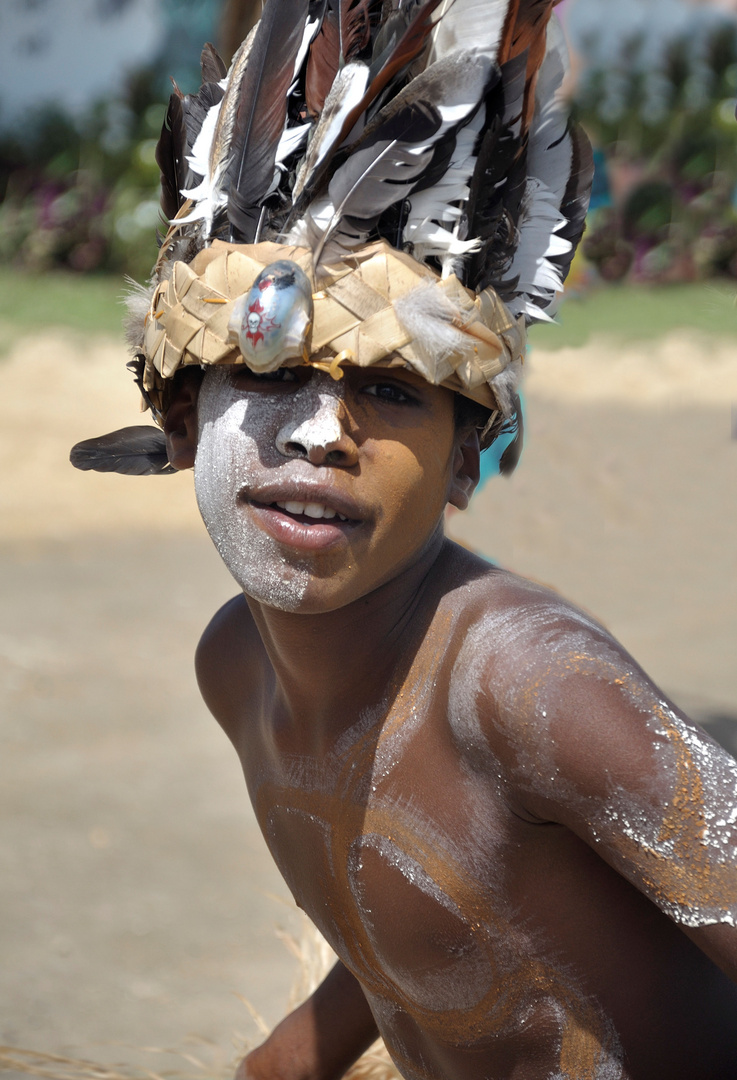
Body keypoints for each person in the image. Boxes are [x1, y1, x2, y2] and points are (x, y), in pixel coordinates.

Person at [71, 1, 737, 1076]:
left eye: (388, 391)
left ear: (464, 464)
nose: (325, 435)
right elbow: (423, 923)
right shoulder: (235, 663)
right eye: (274, 374)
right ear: (184, 422)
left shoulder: (531, 689)